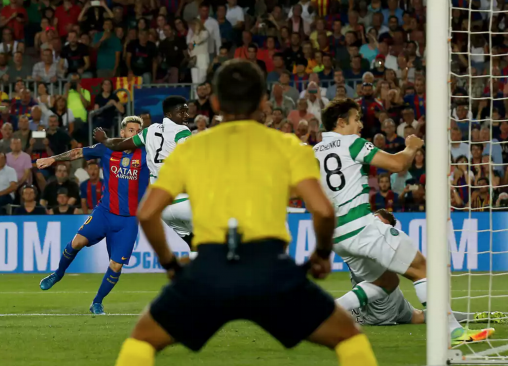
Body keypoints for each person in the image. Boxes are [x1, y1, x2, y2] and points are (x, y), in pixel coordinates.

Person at [113, 60, 378, 366]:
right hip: (270, 269)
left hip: (209, 269)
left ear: (214, 102)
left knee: (142, 341)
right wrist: (320, 254)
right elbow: (322, 209)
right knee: (349, 338)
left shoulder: (190, 148)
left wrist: (170, 264)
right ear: (264, 102)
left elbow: (147, 214)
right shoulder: (288, 146)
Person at [313, 98, 494, 345]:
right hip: (361, 227)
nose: (360, 126)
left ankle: (321, 313)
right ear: (341, 122)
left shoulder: (315, 152)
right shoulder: (352, 143)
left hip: (337, 235)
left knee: (386, 281)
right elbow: (398, 165)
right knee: (422, 268)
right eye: (356, 120)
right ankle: (454, 332)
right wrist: (411, 147)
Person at [37, 116, 150, 315]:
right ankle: (58, 273)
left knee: (116, 265)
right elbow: (78, 152)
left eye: (139, 131)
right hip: (104, 213)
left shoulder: (147, 154)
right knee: (77, 242)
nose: (136, 134)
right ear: (123, 133)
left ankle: (97, 302)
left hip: (129, 220)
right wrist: (53, 159)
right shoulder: (107, 148)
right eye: (131, 130)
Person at [350, 209, 507, 326]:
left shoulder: (369, 245)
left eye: (379, 223)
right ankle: (475, 316)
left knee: (423, 315)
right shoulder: (368, 244)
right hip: (385, 309)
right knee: (421, 316)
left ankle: (473, 318)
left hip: (382, 312)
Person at [94, 96, 194, 248]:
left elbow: (120, 144)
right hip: (184, 201)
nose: (187, 116)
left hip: (163, 208)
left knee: (193, 243)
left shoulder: (149, 131)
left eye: (186, 112)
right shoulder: (182, 131)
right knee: (215, 240)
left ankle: (197, 270)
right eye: (182, 112)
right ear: (168, 115)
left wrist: (105, 140)